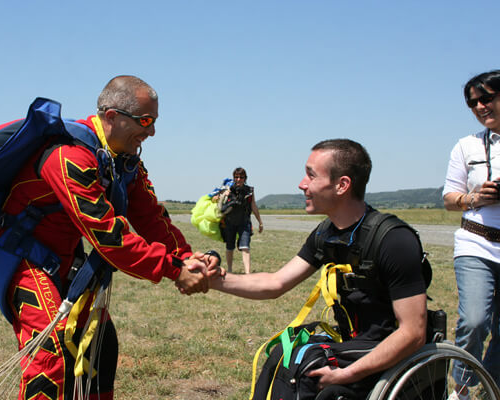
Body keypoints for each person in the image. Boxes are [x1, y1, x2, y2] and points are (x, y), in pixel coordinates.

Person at [0, 75, 216, 399]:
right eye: (145, 121)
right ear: (112, 116)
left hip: (66, 261)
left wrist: (186, 256)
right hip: (25, 260)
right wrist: (174, 269)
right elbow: (110, 238)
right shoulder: (69, 157)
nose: (151, 132)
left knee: (99, 346)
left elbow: (150, 216)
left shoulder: (124, 162)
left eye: (154, 121)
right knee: (49, 356)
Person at [208, 139, 427, 399]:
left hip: (386, 355)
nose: (302, 184)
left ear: (342, 185)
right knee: (283, 354)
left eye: (311, 175)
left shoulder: (393, 240)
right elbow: (275, 283)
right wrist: (209, 279)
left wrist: (348, 374)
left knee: (307, 371)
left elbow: (413, 333)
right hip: (350, 345)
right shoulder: (326, 234)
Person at [443, 69, 500, 400]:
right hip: (476, 242)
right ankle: (461, 390)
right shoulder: (466, 146)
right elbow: (450, 199)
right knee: (475, 320)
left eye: (486, 98)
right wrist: (475, 198)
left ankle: (489, 388)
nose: (479, 106)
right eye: (472, 102)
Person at [219, 167, 264, 274]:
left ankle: (247, 273)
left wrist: (260, 222)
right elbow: (219, 205)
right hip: (230, 222)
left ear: (245, 178)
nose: (238, 179)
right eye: (236, 177)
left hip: (244, 222)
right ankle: (229, 270)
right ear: (233, 178)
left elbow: (254, 206)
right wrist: (222, 196)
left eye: (241, 177)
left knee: (245, 247)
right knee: (229, 247)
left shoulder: (250, 191)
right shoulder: (228, 190)